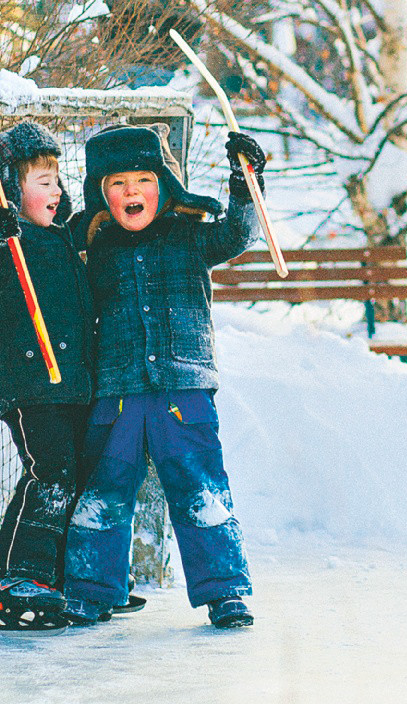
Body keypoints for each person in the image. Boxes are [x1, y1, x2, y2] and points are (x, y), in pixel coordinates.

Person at [62, 123, 265, 629]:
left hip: (184, 390)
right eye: (117, 183)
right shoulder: (92, 248)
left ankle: (225, 591)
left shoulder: (191, 236)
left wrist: (244, 184)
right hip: (116, 392)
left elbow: (240, 234)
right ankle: (91, 589)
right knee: (104, 492)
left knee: (200, 489)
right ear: (101, 195)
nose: (131, 191)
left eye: (143, 180)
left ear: (164, 185)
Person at [0, 122, 93, 633]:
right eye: (42, 181)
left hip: (73, 381)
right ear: (9, 188)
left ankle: (62, 577)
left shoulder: (60, 237)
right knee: (49, 473)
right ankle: (16, 578)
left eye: (57, 180)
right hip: (32, 383)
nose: (56, 191)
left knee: (73, 476)